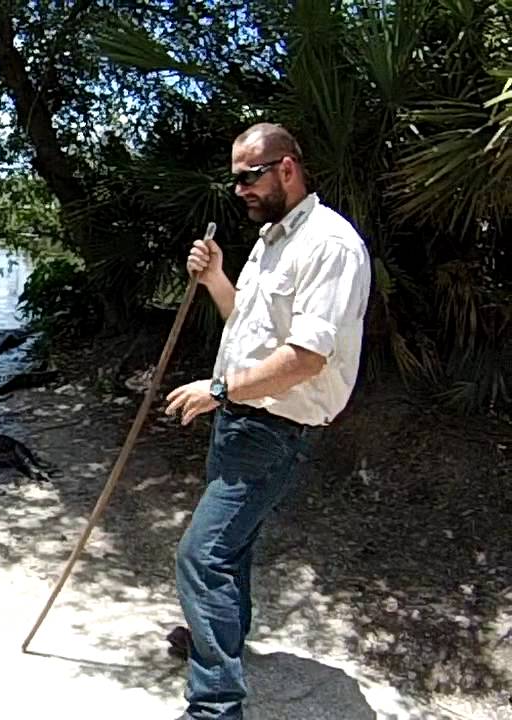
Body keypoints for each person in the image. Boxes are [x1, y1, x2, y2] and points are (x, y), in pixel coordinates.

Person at [161, 122, 372, 720]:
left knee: (201, 558)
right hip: (243, 421)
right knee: (231, 549)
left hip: (274, 429)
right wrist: (215, 278)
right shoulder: (272, 241)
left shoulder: (328, 245)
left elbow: (306, 357)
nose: (240, 190)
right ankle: (219, 641)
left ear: (287, 168)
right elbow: (248, 329)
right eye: (235, 180)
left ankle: (215, 706)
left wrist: (218, 388)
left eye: (250, 176)